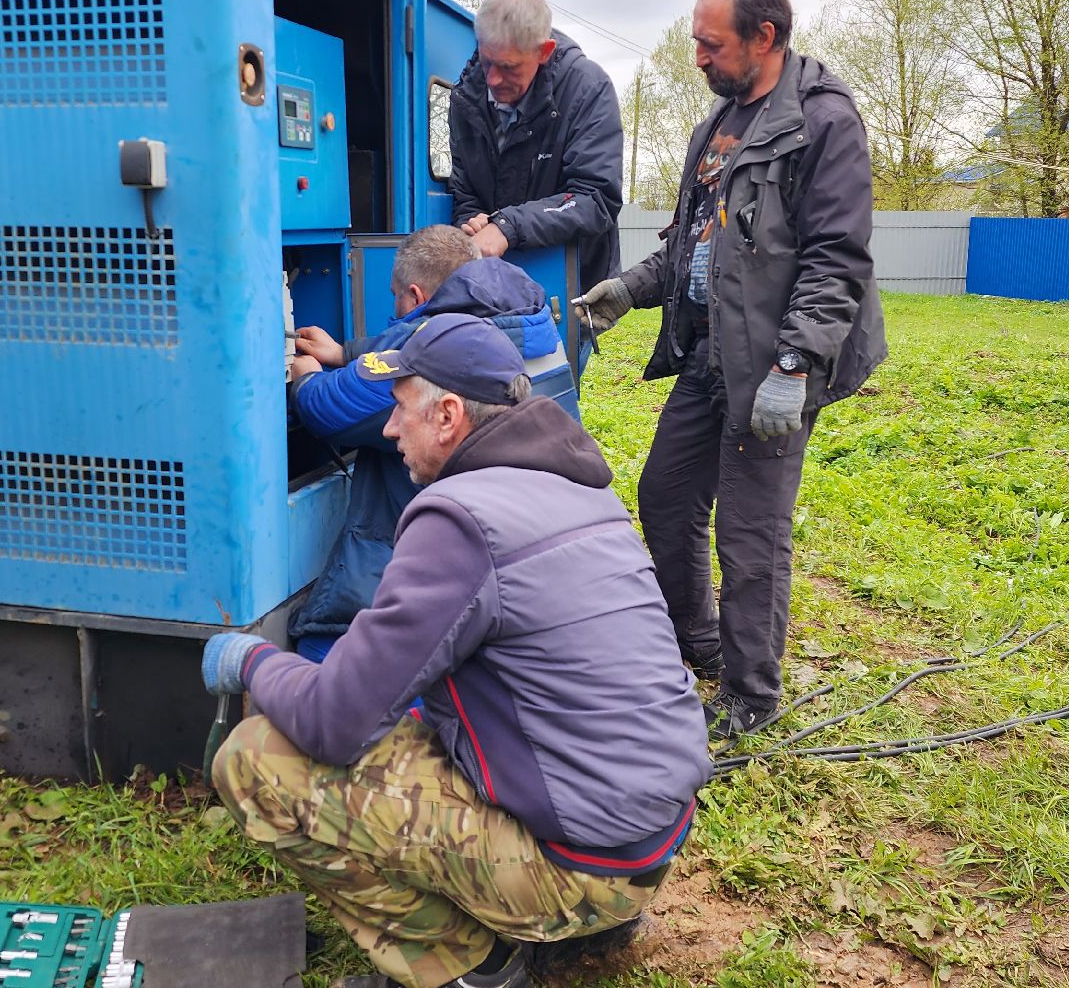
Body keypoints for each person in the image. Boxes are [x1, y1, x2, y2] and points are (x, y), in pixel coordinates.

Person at [204, 314, 711, 988]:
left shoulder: (460, 518)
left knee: (256, 759)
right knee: (413, 725)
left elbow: (333, 721)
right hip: (650, 834)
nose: (388, 429)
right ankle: (599, 927)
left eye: (398, 408)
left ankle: (472, 968)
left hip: (581, 866)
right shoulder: (575, 486)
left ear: (446, 415)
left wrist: (249, 660)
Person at [574, 0, 887, 739]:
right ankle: (697, 640)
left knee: (751, 533)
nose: (699, 58)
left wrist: (795, 365)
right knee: (666, 495)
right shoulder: (714, 127)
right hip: (713, 351)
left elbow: (836, 257)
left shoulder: (823, 121)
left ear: (764, 35)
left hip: (775, 362)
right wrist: (630, 288)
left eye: (711, 45)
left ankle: (751, 695)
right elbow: (693, 245)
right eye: (695, 43)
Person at [287, 226, 574, 656]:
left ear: (418, 298)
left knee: (318, 648)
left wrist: (307, 375)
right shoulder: (526, 318)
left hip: (455, 570)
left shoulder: (441, 345)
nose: (395, 308)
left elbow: (331, 407)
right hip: (533, 546)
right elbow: (400, 348)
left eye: (397, 298)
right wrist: (346, 353)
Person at [448, 0, 624, 308]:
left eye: (510, 67)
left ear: (544, 52)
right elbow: (465, 191)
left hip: (568, 286)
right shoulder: (466, 99)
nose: (493, 80)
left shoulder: (587, 89)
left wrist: (507, 226)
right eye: (488, 63)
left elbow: (596, 197)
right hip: (491, 289)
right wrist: (473, 219)